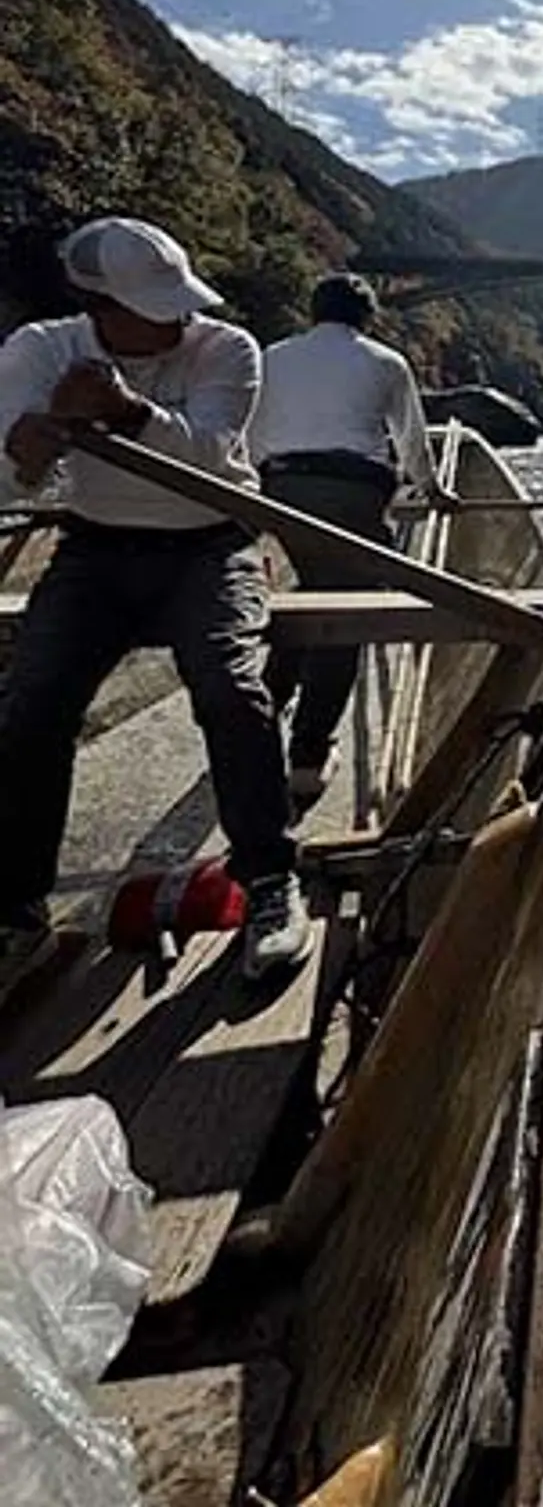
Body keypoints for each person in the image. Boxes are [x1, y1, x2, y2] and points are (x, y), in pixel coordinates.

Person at [0, 217, 309, 980]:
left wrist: (123, 413)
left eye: (178, 303)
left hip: (212, 544)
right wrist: (40, 438)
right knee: (34, 698)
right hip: (94, 548)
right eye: (152, 306)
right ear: (96, 307)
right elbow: (12, 478)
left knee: (230, 686)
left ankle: (270, 878)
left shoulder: (227, 348)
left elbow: (208, 453)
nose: (175, 319)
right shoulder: (40, 350)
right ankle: (15, 906)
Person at [252, 271, 452, 805]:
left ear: (312, 312)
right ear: (367, 318)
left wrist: (252, 496)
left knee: (315, 588)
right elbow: (411, 441)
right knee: (346, 614)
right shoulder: (386, 362)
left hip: (280, 488)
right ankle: (308, 757)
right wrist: (432, 490)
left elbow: (250, 432)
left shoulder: (269, 357)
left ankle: (264, 708)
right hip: (354, 492)